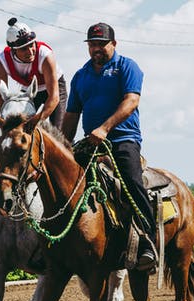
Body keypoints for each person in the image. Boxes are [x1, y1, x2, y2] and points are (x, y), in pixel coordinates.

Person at [62, 22, 156, 271]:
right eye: (92, 44)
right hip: (90, 143)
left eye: (101, 44)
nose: (96, 49)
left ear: (113, 44)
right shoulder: (80, 76)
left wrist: (105, 128)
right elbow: (71, 116)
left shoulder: (127, 67)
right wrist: (63, 146)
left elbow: (131, 101)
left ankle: (148, 242)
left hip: (123, 140)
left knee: (132, 182)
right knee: (62, 182)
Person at [0, 17, 67, 129]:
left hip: (53, 89)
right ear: (13, 51)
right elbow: (2, 99)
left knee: (58, 130)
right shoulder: (1, 62)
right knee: (20, 129)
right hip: (29, 90)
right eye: (23, 49)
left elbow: (54, 97)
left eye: (31, 45)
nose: (30, 52)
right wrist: (8, 123)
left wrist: (35, 121)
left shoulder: (45, 55)